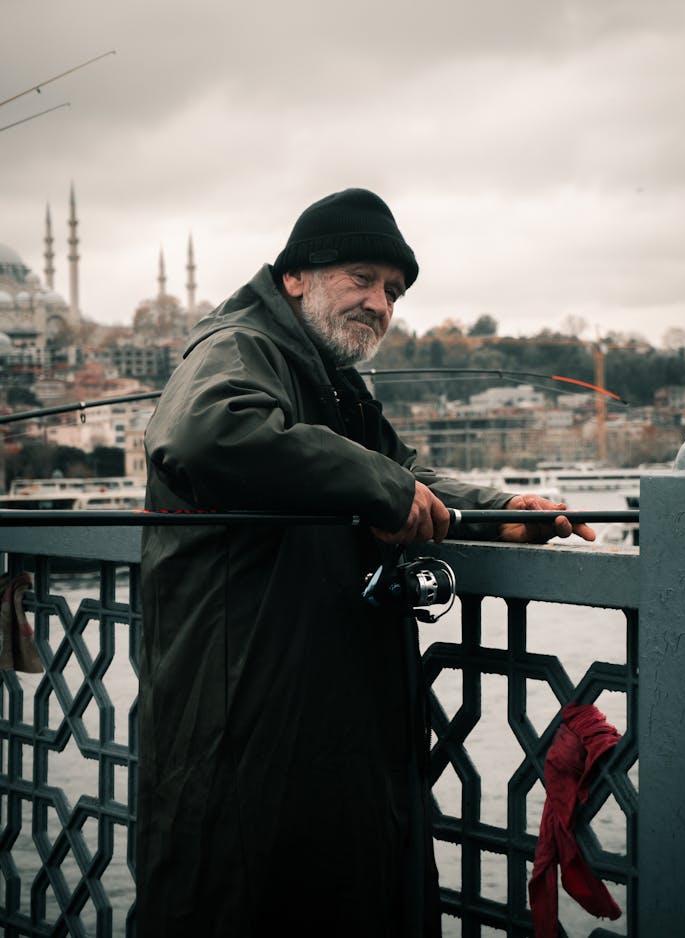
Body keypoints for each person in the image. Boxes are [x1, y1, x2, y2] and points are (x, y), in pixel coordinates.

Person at [136, 188, 595, 938]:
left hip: (317, 723)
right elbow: (207, 434)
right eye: (361, 277)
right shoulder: (238, 346)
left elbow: (402, 473)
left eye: (393, 291)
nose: (379, 302)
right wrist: (382, 488)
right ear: (294, 277)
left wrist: (501, 509)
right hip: (241, 733)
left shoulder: (331, 376)